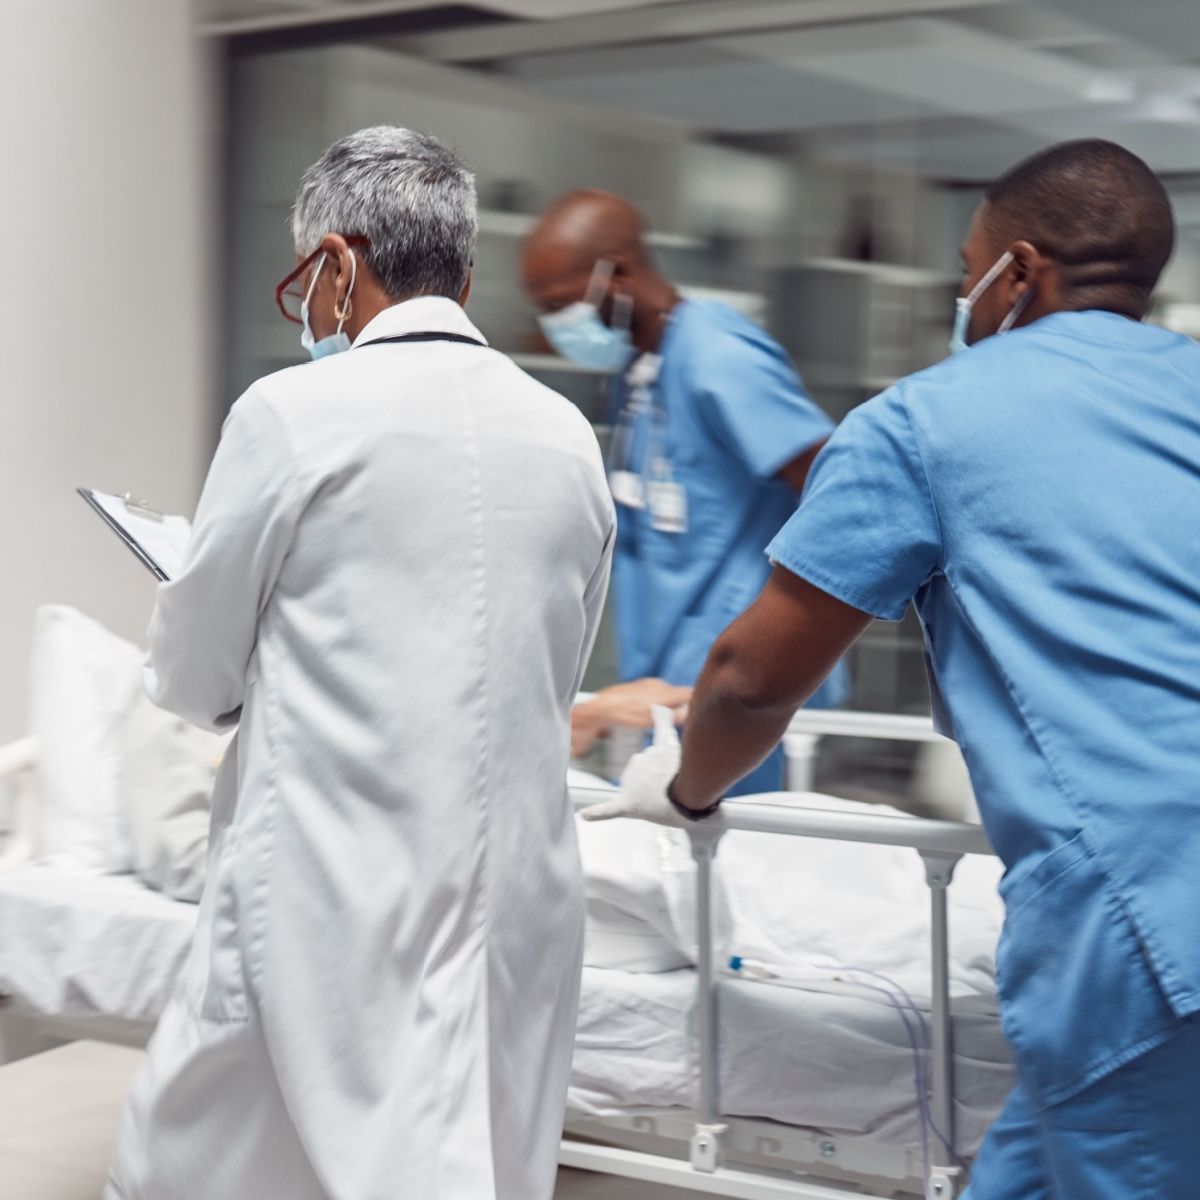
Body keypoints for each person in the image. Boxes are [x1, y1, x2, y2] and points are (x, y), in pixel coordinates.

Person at [588, 140, 1200, 1197]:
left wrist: (681, 794)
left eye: (964, 270)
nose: (962, 295)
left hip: (1145, 916)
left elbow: (749, 681)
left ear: (1015, 273)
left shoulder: (927, 421)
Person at [106, 127, 614, 1200]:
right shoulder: (567, 434)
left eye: (309, 281)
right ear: (464, 273)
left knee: (211, 1166)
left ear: (336, 264)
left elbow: (195, 682)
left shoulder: (292, 416)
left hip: (327, 900)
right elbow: (549, 676)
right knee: (471, 1159)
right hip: (517, 897)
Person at [522, 191, 846, 795]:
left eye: (559, 306)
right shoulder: (643, 368)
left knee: (737, 869)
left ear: (613, 275)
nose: (551, 329)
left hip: (735, 688)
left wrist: (783, 643)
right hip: (664, 687)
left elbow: (840, 493)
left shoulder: (717, 356)